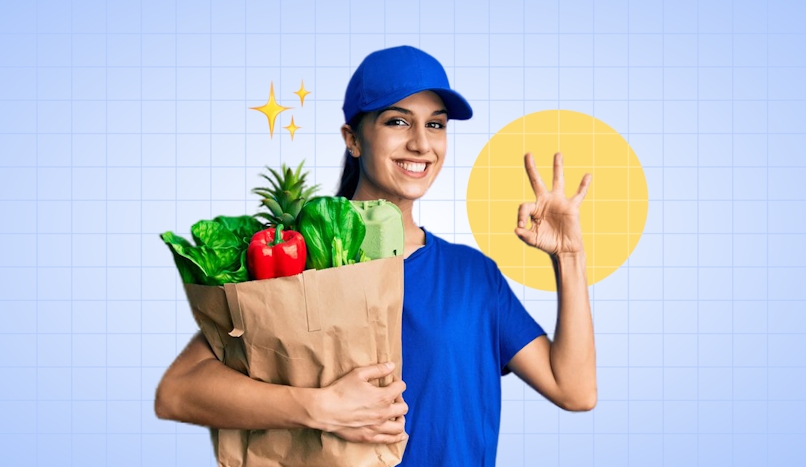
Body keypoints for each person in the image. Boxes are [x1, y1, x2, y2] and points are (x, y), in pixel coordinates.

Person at [155, 45, 596, 466]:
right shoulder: (300, 259)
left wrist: (570, 257)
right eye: (398, 122)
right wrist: (318, 408)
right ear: (353, 139)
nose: (422, 144)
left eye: (436, 125)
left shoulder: (473, 277)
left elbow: (574, 390)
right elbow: (178, 391)